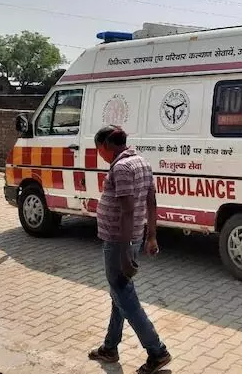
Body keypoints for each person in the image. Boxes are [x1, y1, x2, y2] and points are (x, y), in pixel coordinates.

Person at [88, 126, 171, 374]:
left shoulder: (122, 168)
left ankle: (157, 351)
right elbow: (151, 201)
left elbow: (127, 210)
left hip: (119, 242)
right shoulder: (141, 162)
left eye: (98, 149)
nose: (99, 154)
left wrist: (124, 252)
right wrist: (151, 236)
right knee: (119, 295)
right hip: (131, 239)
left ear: (106, 146)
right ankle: (110, 347)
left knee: (125, 298)